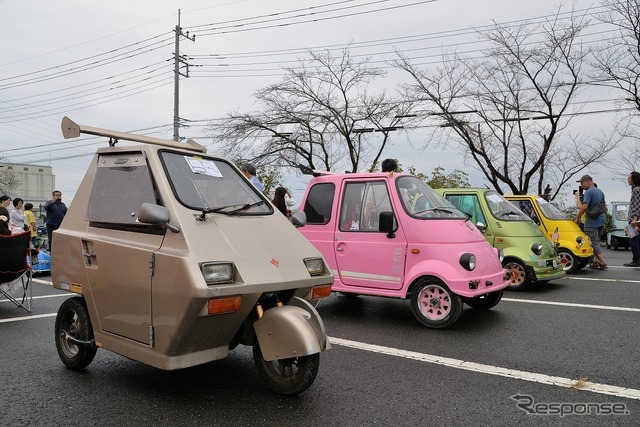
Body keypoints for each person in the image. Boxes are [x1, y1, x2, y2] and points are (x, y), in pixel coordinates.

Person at [574, 175, 607, 270]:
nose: (581, 185)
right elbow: (604, 206)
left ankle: (602, 262)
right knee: (597, 240)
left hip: (592, 221)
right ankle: (595, 261)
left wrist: (577, 218)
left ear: (588, 181)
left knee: (593, 241)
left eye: (582, 182)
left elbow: (584, 207)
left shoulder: (588, 192)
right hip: (601, 219)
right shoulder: (600, 191)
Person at [624, 171, 640, 267]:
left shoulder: (636, 190)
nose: (628, 180)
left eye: (629, 178)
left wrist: (634, 218)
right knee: (638, 240)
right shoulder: (636, 189)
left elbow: (636, 205)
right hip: (637, 219)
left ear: (634, 179)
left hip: (635, 219)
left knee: (633, 239)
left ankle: (636, 260)